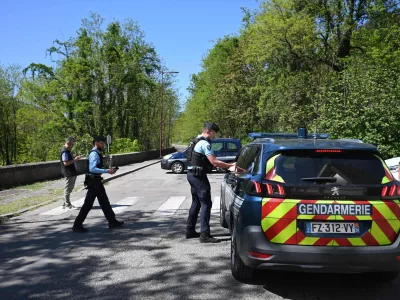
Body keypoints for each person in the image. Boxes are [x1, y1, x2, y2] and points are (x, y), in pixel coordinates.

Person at [186, 122, 243, 243]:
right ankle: (204, 235)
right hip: (198, 176)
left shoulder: (195, 141)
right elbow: (214, 162)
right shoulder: (204, 143)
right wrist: (231, 165)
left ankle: (190, 230)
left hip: (191, 174)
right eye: (213, 133)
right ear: (208, 131)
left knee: (196, 202)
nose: (214, 136)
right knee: (206, 203)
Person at [72, 136, 124, 233]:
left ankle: (112, 221)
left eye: (104, 143)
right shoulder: (94, 154)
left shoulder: (97, 153)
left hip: (96, 181)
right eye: (101, 143)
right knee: (88, 204)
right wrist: (107, 171)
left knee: (104, 202)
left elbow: (97, 167)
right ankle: (77, 225)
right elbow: (92, 169)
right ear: (96, 143)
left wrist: (108, 169)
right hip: (93, 181)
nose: (103, 145)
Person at [60, 137, 81, 209]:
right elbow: (65, 163)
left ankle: (65, 202)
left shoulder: (68, 151)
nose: (72, 146)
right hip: (69, 173)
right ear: (68, 143)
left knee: (70, 188)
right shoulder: (64, 151)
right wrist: (75, 160)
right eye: (72, 144)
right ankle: (67, 204)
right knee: (68, 189)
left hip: (72, 172)